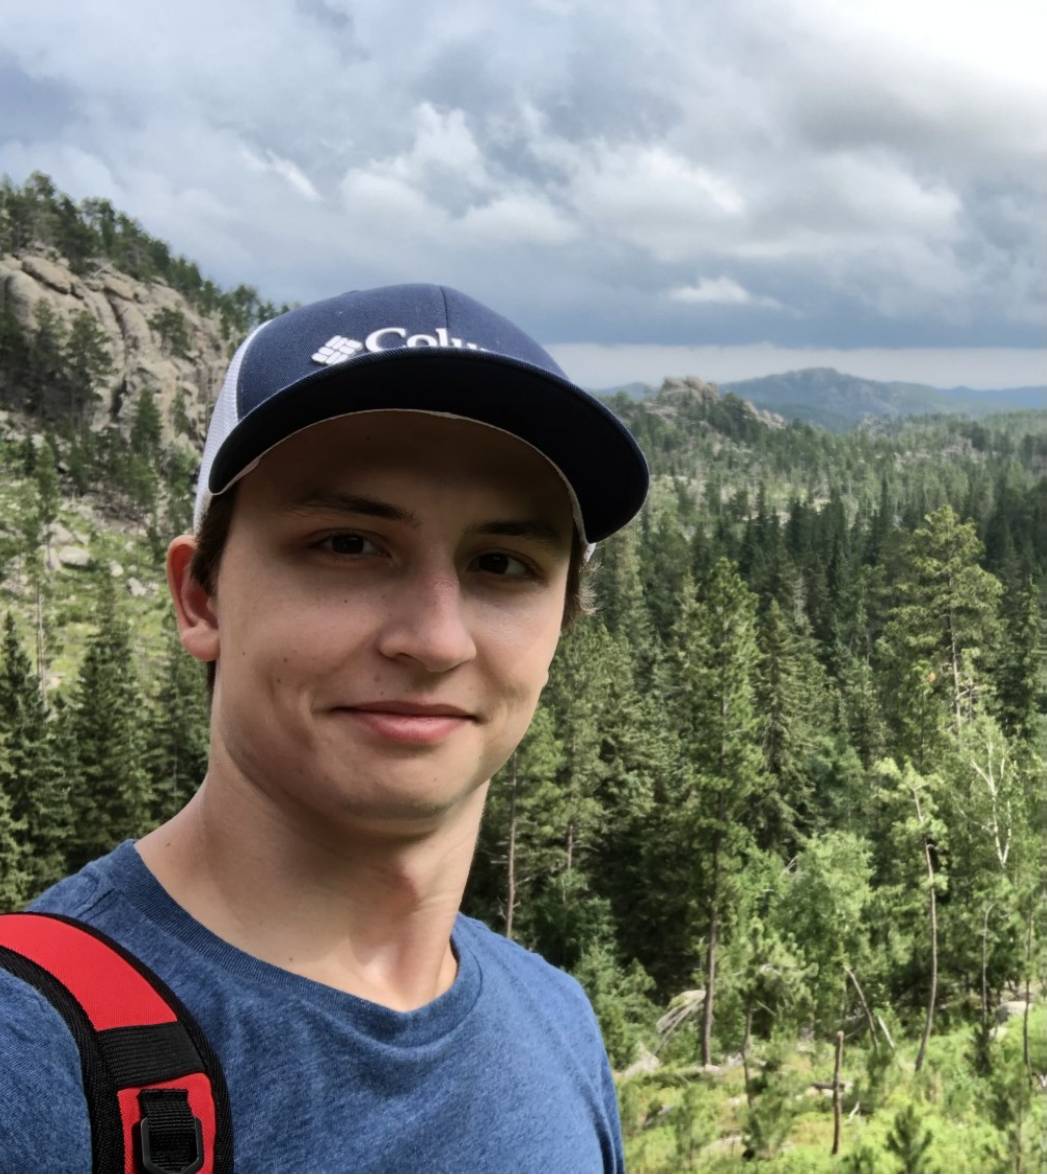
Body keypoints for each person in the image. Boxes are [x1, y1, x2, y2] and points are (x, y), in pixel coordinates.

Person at [0, 283, 649, 1173]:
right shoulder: (32, 1060)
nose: (433, 638)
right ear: (200, 595)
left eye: (502, 564)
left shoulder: (556, 1020)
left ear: (559, 626)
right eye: (347, 543)